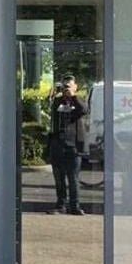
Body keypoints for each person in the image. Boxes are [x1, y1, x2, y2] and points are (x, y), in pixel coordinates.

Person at [47, 74, 88, 215]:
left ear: (75, 87)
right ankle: (61, 205)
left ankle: (75, 206)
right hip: (58, 145)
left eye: (69, 87)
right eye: (65, 87)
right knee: (59, 178)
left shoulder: (79, 101)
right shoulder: (57, 102)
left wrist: (73, 97)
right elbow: (53, 113)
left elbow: (84, 110)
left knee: (73, 178)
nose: (66, 90)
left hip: (74, 146)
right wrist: (56, 96)